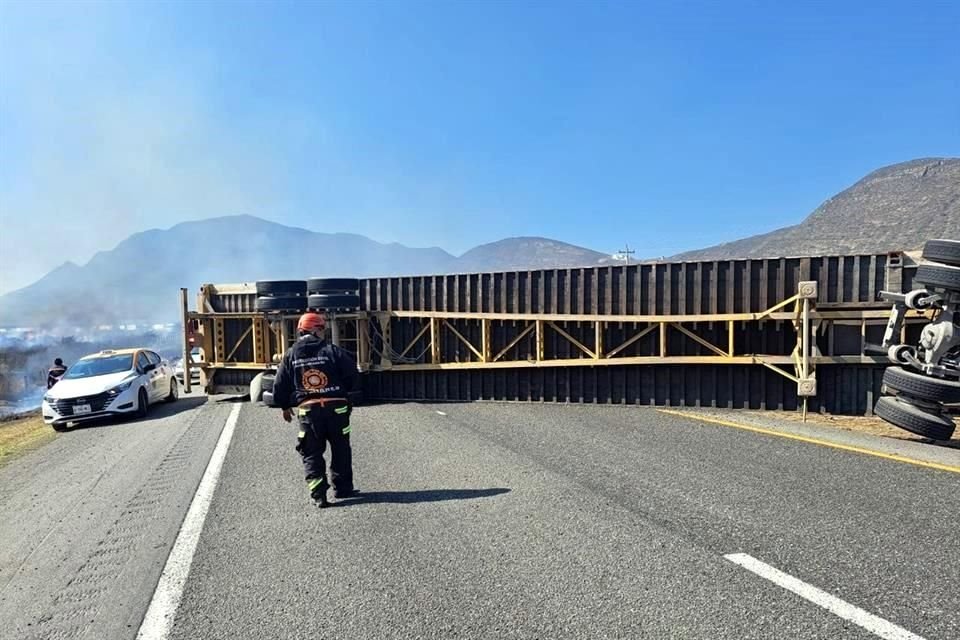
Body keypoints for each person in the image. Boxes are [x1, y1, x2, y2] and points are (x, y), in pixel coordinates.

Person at [272, 312, 361, 508]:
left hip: (309, 411)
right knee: (341, 449)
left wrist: (284, 406)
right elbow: (352, 372)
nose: (323, 333)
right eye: (322, 329)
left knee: (311, 452)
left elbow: (280, 384)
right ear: (315, 329)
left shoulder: (291, 354)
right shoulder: (332, 350)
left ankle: (318, 495)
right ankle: (343, 489)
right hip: (337, 409)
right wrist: (345, 394)